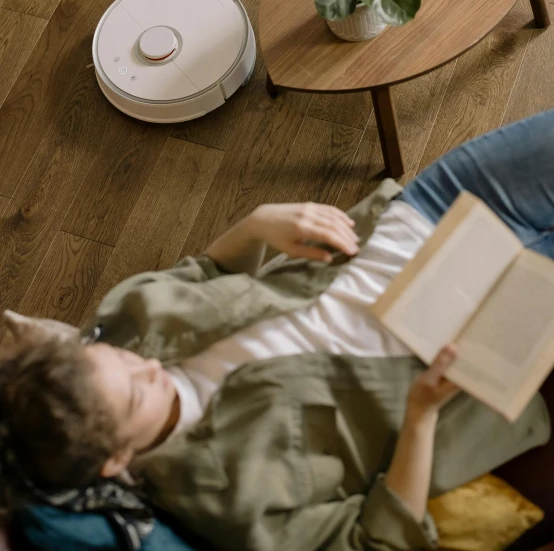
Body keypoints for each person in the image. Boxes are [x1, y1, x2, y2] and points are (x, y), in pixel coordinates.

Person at [2, 109, 554, 551]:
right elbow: (374, 541)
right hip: (482, 337)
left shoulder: (120, 324)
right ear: (116, 461)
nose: (148, 365)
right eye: (137, 391)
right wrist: (420, 417)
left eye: (118, 358)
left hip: (424, 220)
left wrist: (257, 224)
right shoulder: (230, 504)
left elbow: (207, 270)